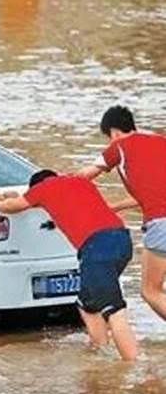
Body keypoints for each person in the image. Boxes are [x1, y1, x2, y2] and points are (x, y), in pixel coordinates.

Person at [0, 170, 137, 361]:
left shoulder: (43, 189)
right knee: (86, 302)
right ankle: (100, 352)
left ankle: (133, 365)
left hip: (97, 247)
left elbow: (10, 207)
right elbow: (61, 202)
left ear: (36, 185)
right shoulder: (81, 183)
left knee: (113, 310)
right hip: (122, 241)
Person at [78, 105, 166, 322]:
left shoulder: (118, 147)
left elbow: (83, 176)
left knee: (150, 291)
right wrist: (114, 207)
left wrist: (51, 186)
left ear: (114, 132)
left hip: (161, 224)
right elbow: (152, 193)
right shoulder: (160, 141)